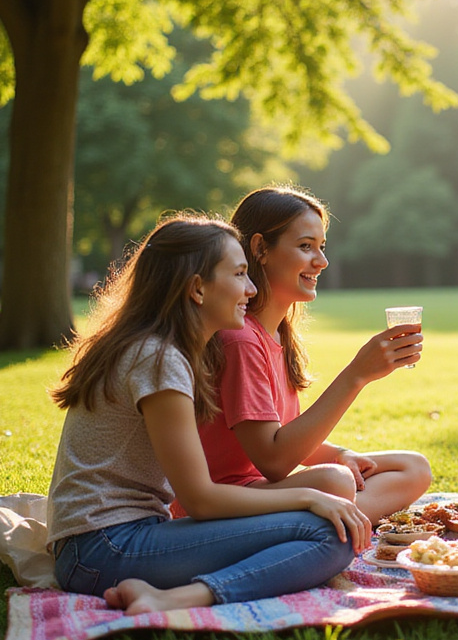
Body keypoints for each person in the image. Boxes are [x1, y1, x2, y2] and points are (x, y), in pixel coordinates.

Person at [47, 215, 371, 616]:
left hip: (105, 542)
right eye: (239, 274)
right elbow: (200, 499)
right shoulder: (158, 358)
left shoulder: (155, 348)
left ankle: (173, 593)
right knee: (332, 536)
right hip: (103, 550)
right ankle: (178, 599)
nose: (252, 289)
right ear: (197, 288)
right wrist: (309, 497)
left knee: (329, 527)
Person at [190, 185, 432, 524]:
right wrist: (356, 375)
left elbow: (283, 430)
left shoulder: (278, 333)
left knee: (413, 467)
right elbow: (274, 461)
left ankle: (335, 522)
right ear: (260, 248)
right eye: (306, 247)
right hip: (233, 500)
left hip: (266, 489)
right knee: (334, 482)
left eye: (321, 247)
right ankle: (332, 522)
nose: (321, 261)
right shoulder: (240, 339)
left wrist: (340, 453)